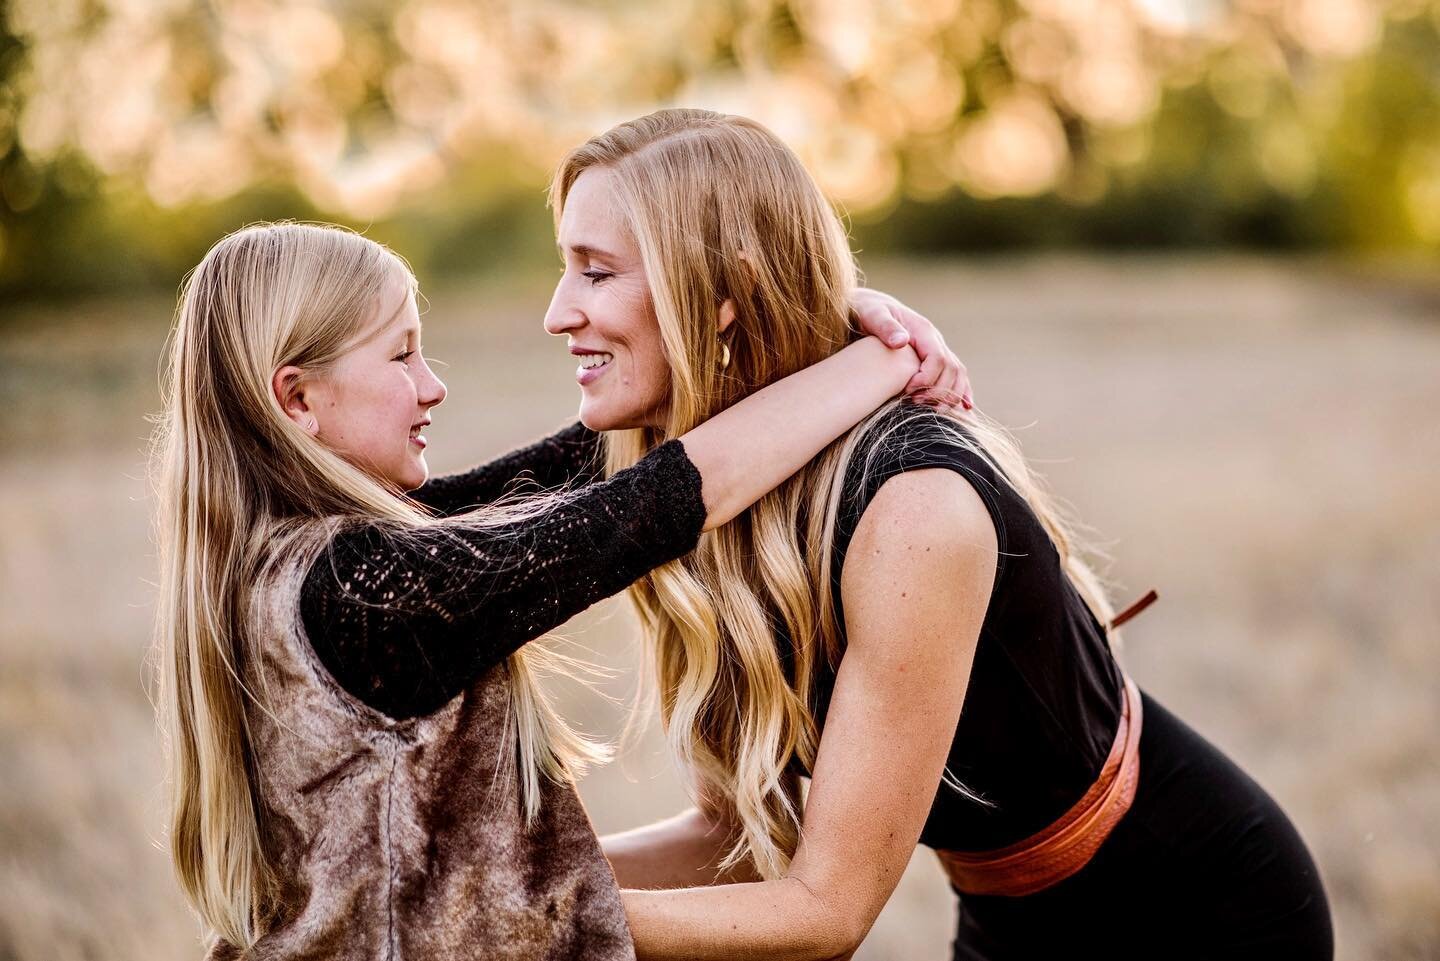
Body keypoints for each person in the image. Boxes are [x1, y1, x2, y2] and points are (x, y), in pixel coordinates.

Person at [541, 109, 1335, 960]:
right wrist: (505, 879)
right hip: (1007, 914)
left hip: (1194, 911)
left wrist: (527, 920)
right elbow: (729, 838)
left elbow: (825, 913)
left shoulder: (915, 506)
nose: (557, 314)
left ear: (722, 292)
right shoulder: (698, 484)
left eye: (595, 273)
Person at [150, 221, 968, 959]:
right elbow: (654, 502)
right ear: (297, 399)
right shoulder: (366, 598)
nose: (432, 385)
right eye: (401, 355)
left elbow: (584, 463)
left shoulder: (310, 569)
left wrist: (806, 323)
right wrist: (885, 358)